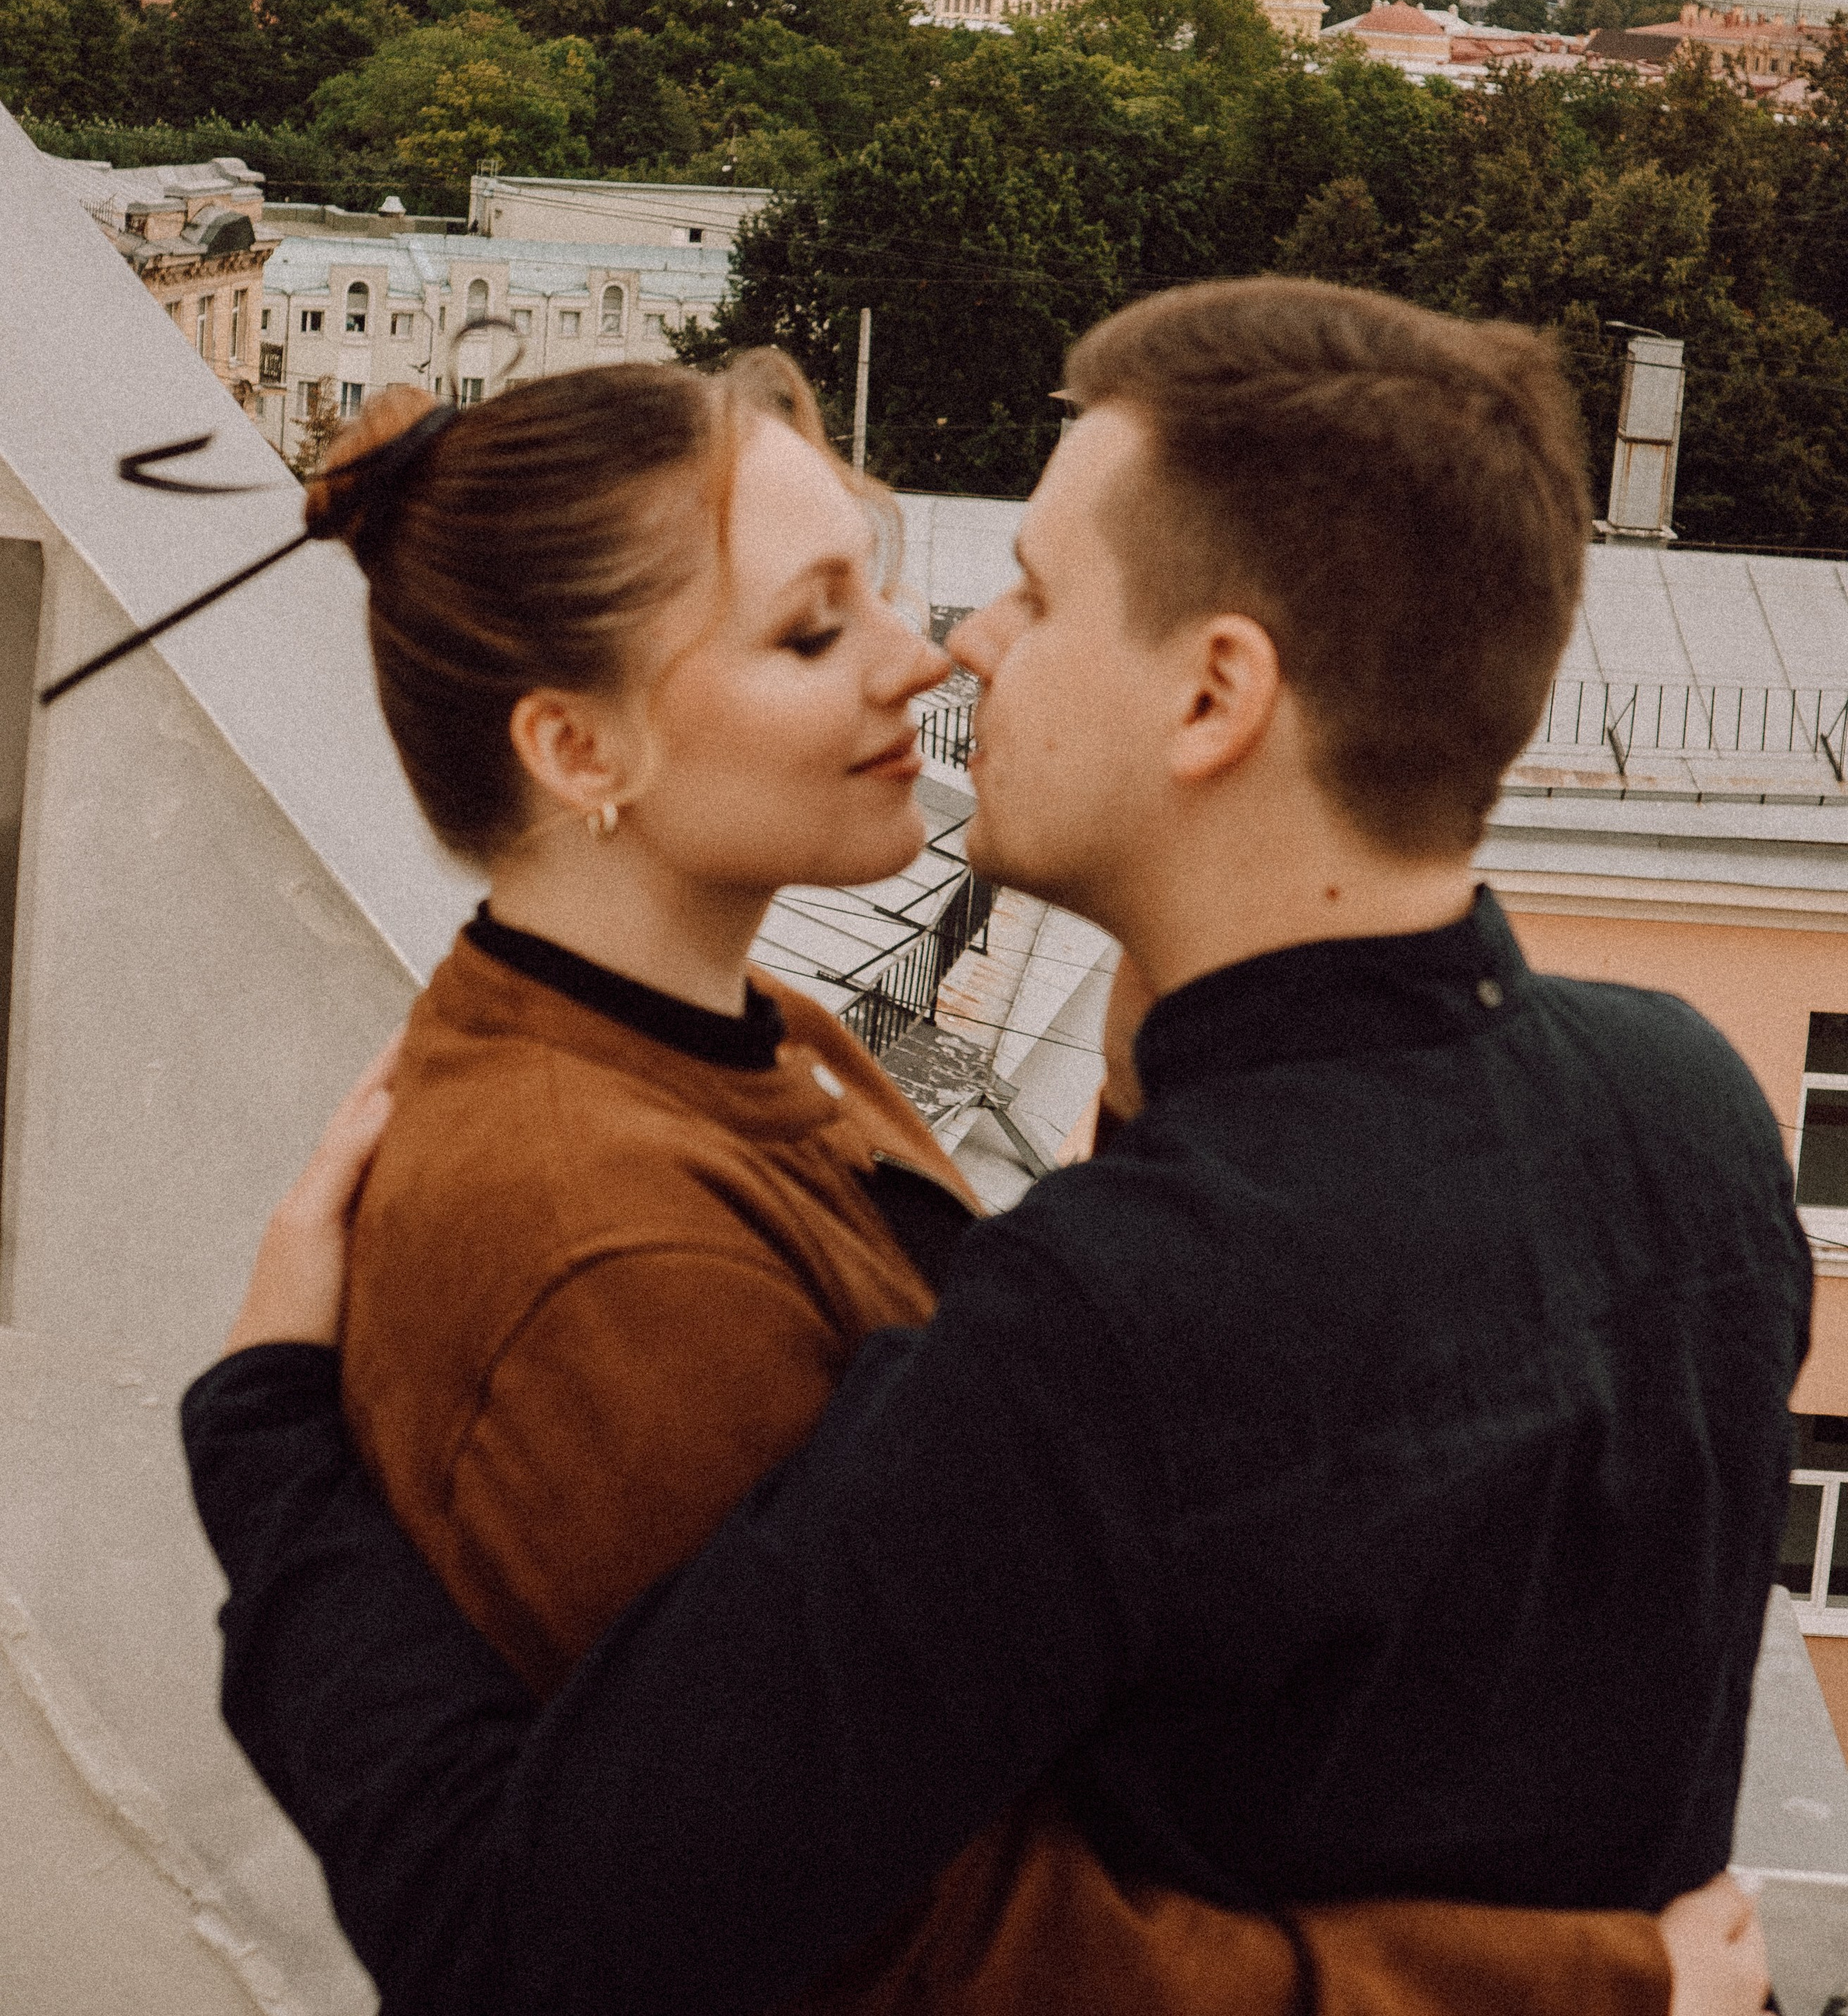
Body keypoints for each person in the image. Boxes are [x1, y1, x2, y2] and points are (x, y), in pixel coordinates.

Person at [182, 283, 1805, 2016]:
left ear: (1212, 699)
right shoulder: (1690, 1101)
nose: (952, 646)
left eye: (1028, 593)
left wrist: (266, 1443)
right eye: (821, 626)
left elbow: (551, 1937)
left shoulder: (1090, 1310)